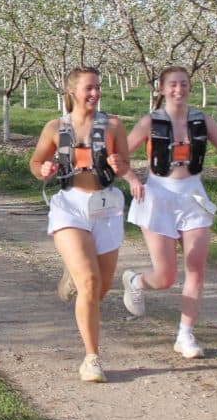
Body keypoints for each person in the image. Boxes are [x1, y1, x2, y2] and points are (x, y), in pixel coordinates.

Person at [121, 65, 217, 359]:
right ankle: (136, 281)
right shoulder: (150, 121)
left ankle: (185, 335)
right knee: (165, 277)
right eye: (173, 84)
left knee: (196, 269)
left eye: (184, 84)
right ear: (161, 90)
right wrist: (133, 179)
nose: (179, 89)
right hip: (158, 197)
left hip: (192, 197)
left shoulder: (202, 121)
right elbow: (120, 156)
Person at [29, 66, 138, 383]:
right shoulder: (55, 127)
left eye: (98, 88)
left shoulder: (114, 125)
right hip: (70, 207)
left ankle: (72, 275)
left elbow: (125, 164)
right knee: (90, 283)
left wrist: (120, 164)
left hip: (105, 207)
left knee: (100, 289)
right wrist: (44, 168)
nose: (95, 93)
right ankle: (92, 358)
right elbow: (35, 162)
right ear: (72, 92)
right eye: (89, 88)